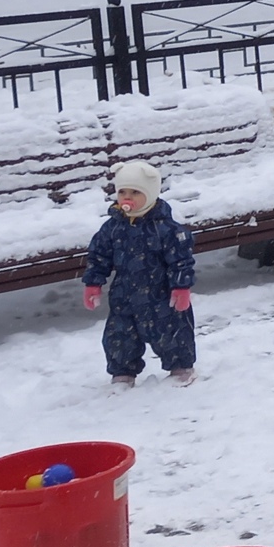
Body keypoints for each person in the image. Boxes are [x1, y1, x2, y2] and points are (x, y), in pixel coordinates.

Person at [83, 159, 197, 388]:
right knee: (120, 336)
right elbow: (99, 256)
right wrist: (93, 283)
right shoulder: (112, 227)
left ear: (151, 193)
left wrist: (181, 287)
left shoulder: (166, 228)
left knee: (173, 331)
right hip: (124, 293)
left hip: (162, 293)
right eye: (122, 191)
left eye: (135, 192)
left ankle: (181, 366)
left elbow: (181, 260)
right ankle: (123, 372)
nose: (127, 198)